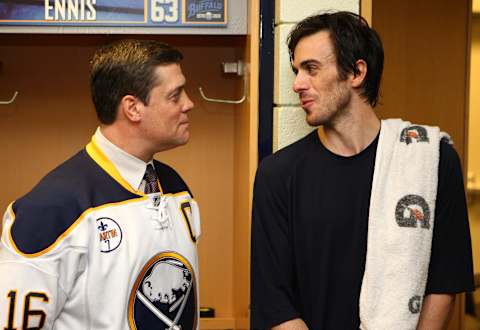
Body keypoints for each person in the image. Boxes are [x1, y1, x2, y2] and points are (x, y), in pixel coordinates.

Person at [250, 11, 474, 330]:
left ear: (356, 73)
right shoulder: (278, 174)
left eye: (311, 69)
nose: (298, 84)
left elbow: (445, 282)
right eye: (296, 70)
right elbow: (273, 300)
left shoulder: (431, 161)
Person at [0, 39, 201, 329]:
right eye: (175, 95)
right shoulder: (51, 209)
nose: (189, 104)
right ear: (132, 108)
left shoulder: (174, 187)